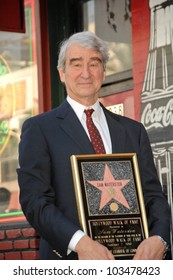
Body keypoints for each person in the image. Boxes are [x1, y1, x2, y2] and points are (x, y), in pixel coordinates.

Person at [17, 31, 171, 260]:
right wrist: (80, 243)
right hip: (71, 262)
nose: (86, 73)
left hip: (133, 263)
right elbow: (35, 202)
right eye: (76, 64)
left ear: (104, 71)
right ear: (62, 73)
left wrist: (159, 239)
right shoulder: (39, 129)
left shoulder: (133, 130)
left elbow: (153, 196)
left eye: (94, 63)